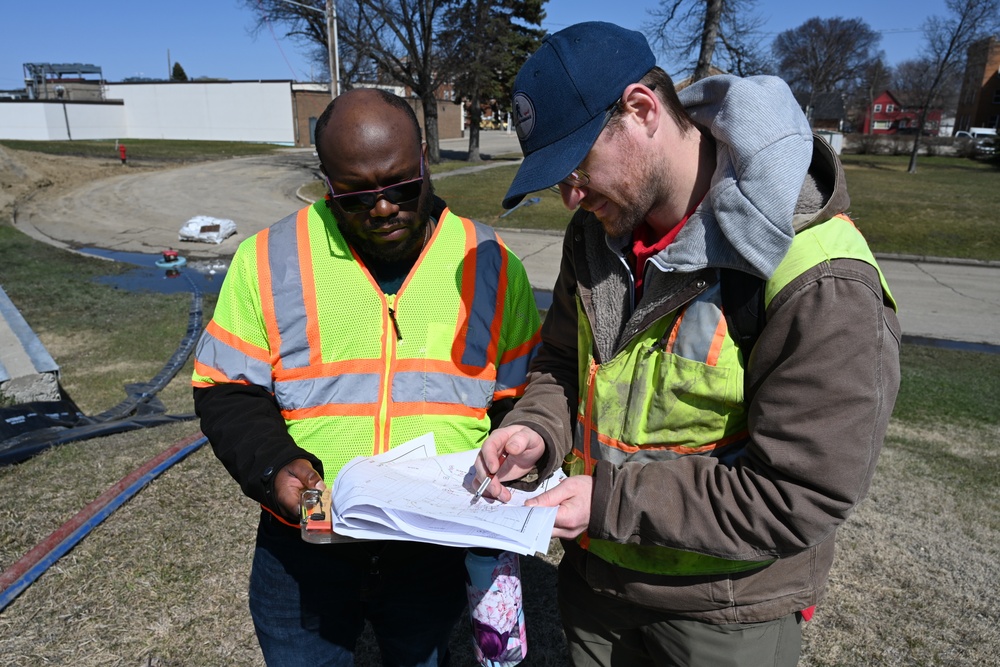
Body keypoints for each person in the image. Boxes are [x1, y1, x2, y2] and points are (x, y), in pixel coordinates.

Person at [473, 21, 901, 667]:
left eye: (577, 167)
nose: (570, 198)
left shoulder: (820, 275)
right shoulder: (596, 235)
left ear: (641, 110)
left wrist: (609, 500)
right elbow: (564, 360)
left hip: (724, 610)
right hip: (595, 585)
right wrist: (536, 428)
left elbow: (801, 493)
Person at [192, 88, 541, 667]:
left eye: (401, 185)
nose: (382, 209)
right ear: (325, 180)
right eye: (355, 195)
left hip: (434, 548)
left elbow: (519, 397)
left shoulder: (492, 263)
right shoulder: (269, 258)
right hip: (303, 547)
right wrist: (276, 469)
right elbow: (227, 388)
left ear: (425, 157)